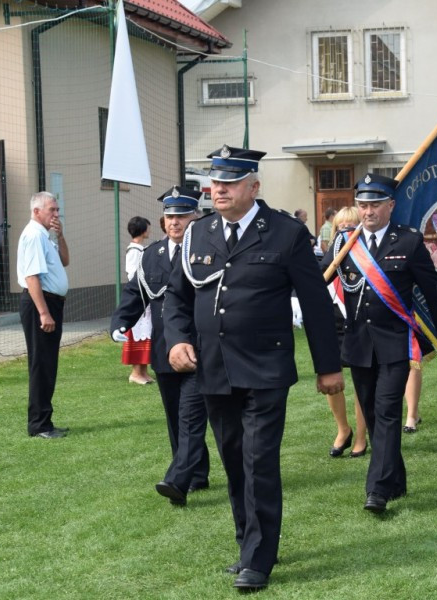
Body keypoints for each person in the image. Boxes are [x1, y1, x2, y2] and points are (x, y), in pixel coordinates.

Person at [164, 145, 343, 592]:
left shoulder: (284, 233)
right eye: (215, 183)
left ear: (253, 186)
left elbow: (317, 304)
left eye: (228, 183)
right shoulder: (198, 234)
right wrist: (179, 338)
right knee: (234, 461)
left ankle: (257, 560)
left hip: (265, 367)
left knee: (259, 460)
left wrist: (328, 367)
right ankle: (250, 545)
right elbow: (176, 297)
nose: (218, 190)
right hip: (215, 369)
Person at [323, 173, 437, 515]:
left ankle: (377, 489)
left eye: (375, 205)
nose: (368, 212)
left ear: (390, 206)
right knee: (372, 412)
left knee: (387, 410)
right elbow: (318, 281)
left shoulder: (408, 242)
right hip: (359, 344)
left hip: (395, 343)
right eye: (363, 205)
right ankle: (396, 479)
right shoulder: (344, 244)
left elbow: (432, 291)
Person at [111, 188, 210, 504]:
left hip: (199, 346)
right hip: (164, 349)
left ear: (195, 217)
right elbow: (135, 293)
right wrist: (120, 323)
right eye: (170, 217)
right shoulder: (151, 255)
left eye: (181, 215)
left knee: (190, 414)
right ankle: (196, 472)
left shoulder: (207, 251)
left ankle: (180, 477)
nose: (175, 222)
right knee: (174, 415)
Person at [17, 191, 70, 439]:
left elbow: (65, 260)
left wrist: (60, 235)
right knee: (41, 364)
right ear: (37, 211)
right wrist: (44, 313)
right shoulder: (33, 235)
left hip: (51, 303)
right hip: (41, 304)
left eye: (57, 209)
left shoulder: (45, 235)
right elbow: (31, 277)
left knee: (49, 364)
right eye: (52, 210)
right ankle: (38, 424)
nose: (56, 214)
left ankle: (45, 420)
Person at [323, 206, 368, 458]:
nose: (347, 231)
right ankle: (343, 429)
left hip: (360, 324)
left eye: (352, 226)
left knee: (361, 381)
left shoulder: (370, 258)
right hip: (334, 323)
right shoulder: (329, 257)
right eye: (341, 227)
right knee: (332, 380)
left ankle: (361, 436)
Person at [122, 216, 154, 385]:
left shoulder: (141, 249)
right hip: (139, 297)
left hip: (146, 296)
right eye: (148, 227)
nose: (150, 230)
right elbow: (133, 274)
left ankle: (144, 371)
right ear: (143, 230)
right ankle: (135, 372)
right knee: (139, 332)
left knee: (147, 331)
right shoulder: (134, 251)